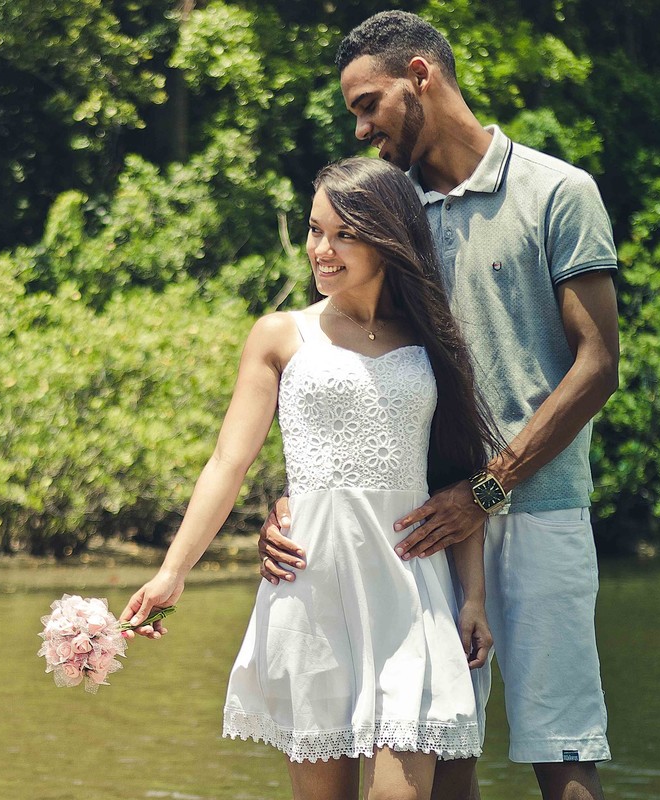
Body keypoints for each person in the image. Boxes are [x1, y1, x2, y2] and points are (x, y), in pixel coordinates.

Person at [257, 11, 621, 800]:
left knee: (563, 751)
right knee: (445, 758)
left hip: (541, 509)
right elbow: (341, 366)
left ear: (419, 76)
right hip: (419, 528)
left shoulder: (559, 191)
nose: (361, 128)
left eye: (368, 105)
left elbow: (597, 367)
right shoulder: (388, 215)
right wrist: (300, 500)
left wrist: (485, 490)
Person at [120, 156, 503, 800]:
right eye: (314, 229)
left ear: (388, 239)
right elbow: (228, 463)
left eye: (343, 235)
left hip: (410, 587)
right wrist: (171, 573)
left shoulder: (436, 338)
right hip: (310, 588)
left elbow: (458, 479)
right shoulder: (280, 335)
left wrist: (473, 599)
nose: (321, 250)